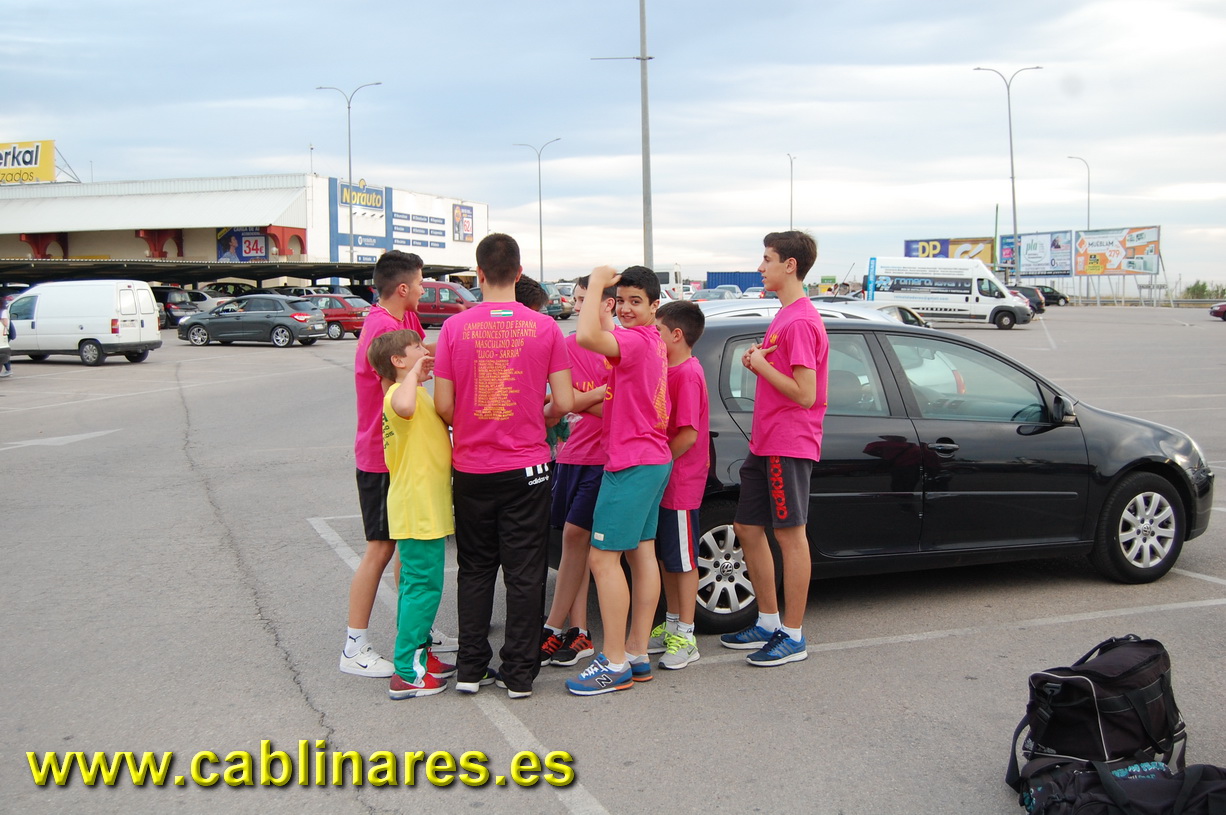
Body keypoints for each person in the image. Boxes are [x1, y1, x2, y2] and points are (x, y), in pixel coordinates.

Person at [433, 234, 573, 699]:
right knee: (525, 572)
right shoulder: (546, 328)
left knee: (474, 568)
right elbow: (564, 401)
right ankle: (519, 673)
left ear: (478, 274)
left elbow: (444, 405)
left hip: (472, 467)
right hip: (527, 467)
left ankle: (471, 667)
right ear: (519, 272)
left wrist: (474, 422)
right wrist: (538, 415)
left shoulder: (454, 328)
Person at [340, 250, 456, 679]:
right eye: (422, 283)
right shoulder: (381, 328)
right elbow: (403, 390)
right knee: (381, 548)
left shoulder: (403, 318)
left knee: (406, 551)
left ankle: (416, 632)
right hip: (383, 455)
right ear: (403, 287)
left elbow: (428, 354)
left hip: (401, 456)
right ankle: (354, 644)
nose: (425, 289)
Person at [719, 230, 828, 667]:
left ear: (790, 265)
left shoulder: (800, 321)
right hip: (765, 440)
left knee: (789, 535)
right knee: (747, 528)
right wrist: (760, 362)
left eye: (767, 259)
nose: (760, 267)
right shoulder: (785, 315)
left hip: (788, 442)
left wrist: (761, 365)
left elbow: (806, 393)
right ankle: (767, 621)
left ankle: (793, 635)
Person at [565, 265, 671, 696]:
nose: (626, 309)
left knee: (602, 560)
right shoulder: (651, 340)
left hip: (631, 464)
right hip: (651, 458)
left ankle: (613, 662)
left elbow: (588, 336)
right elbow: (617, 399)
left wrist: (595, 284)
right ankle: (636, 652)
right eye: (621, 300)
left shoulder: (637, 341)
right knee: (641, 554)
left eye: (635, 302)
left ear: (654, 306)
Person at [366, 330, 457, 699]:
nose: (426, 351)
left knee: (418, 587)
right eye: (418, 348)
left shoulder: (416, 392)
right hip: (418, 508)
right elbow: (402, 407)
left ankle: (421, 654)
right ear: (398, 361)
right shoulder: (396, 394)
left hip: (426, 506)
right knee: (422, 588)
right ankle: (407, 671)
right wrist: (416, 373)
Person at [539, 276, 617, 669]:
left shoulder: (619, 347)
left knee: (575, 536)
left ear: (608, 304)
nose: (579, 306)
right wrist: (594, 396)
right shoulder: (567, 345)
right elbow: (554, 405)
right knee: (576, 545)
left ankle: (552, 627)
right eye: (578, 299)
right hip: (569, 456)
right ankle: (578, 631)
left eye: (587, 299)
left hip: (604, 459)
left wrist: (574, 399)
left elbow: (617, 408)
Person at [646, 300, 709, 670]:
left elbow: (687, 434)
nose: (653, 336)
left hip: (681, 483)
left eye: (657, 330)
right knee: (668, 559)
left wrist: (658, 462)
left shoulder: (687, 373)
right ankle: (671, 625)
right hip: (666, 482)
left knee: (683, 562)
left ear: (676, 335)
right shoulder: (669, 369)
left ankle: (686, 635)